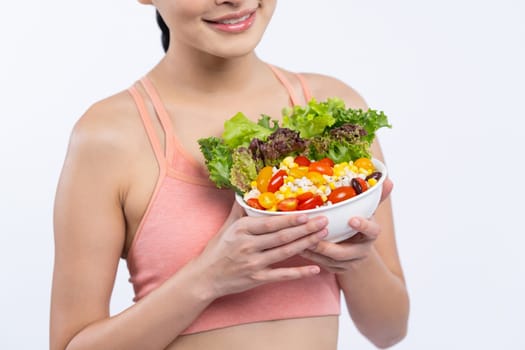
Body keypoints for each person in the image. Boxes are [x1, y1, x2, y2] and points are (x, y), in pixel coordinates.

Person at [50, 1, 409, 349]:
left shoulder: (331, 108)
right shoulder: (109, 135)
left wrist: (352, 254)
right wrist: (208, 277)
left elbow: (389, 330)